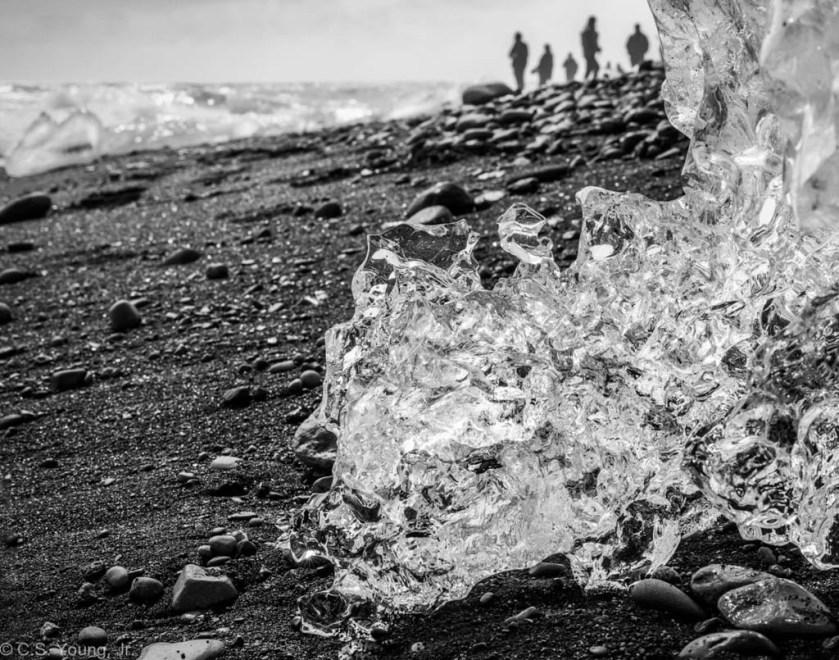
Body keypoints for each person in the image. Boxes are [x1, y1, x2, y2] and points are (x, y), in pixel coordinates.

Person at [581, 16, 601, 81]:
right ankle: (593, 80)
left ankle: (587, 80)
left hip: (589, 53)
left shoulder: (589, 31)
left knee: (590, 68)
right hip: (589, 53)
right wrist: (596, 48)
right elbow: (590, 42)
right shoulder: (588, 31)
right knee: (596, 67)